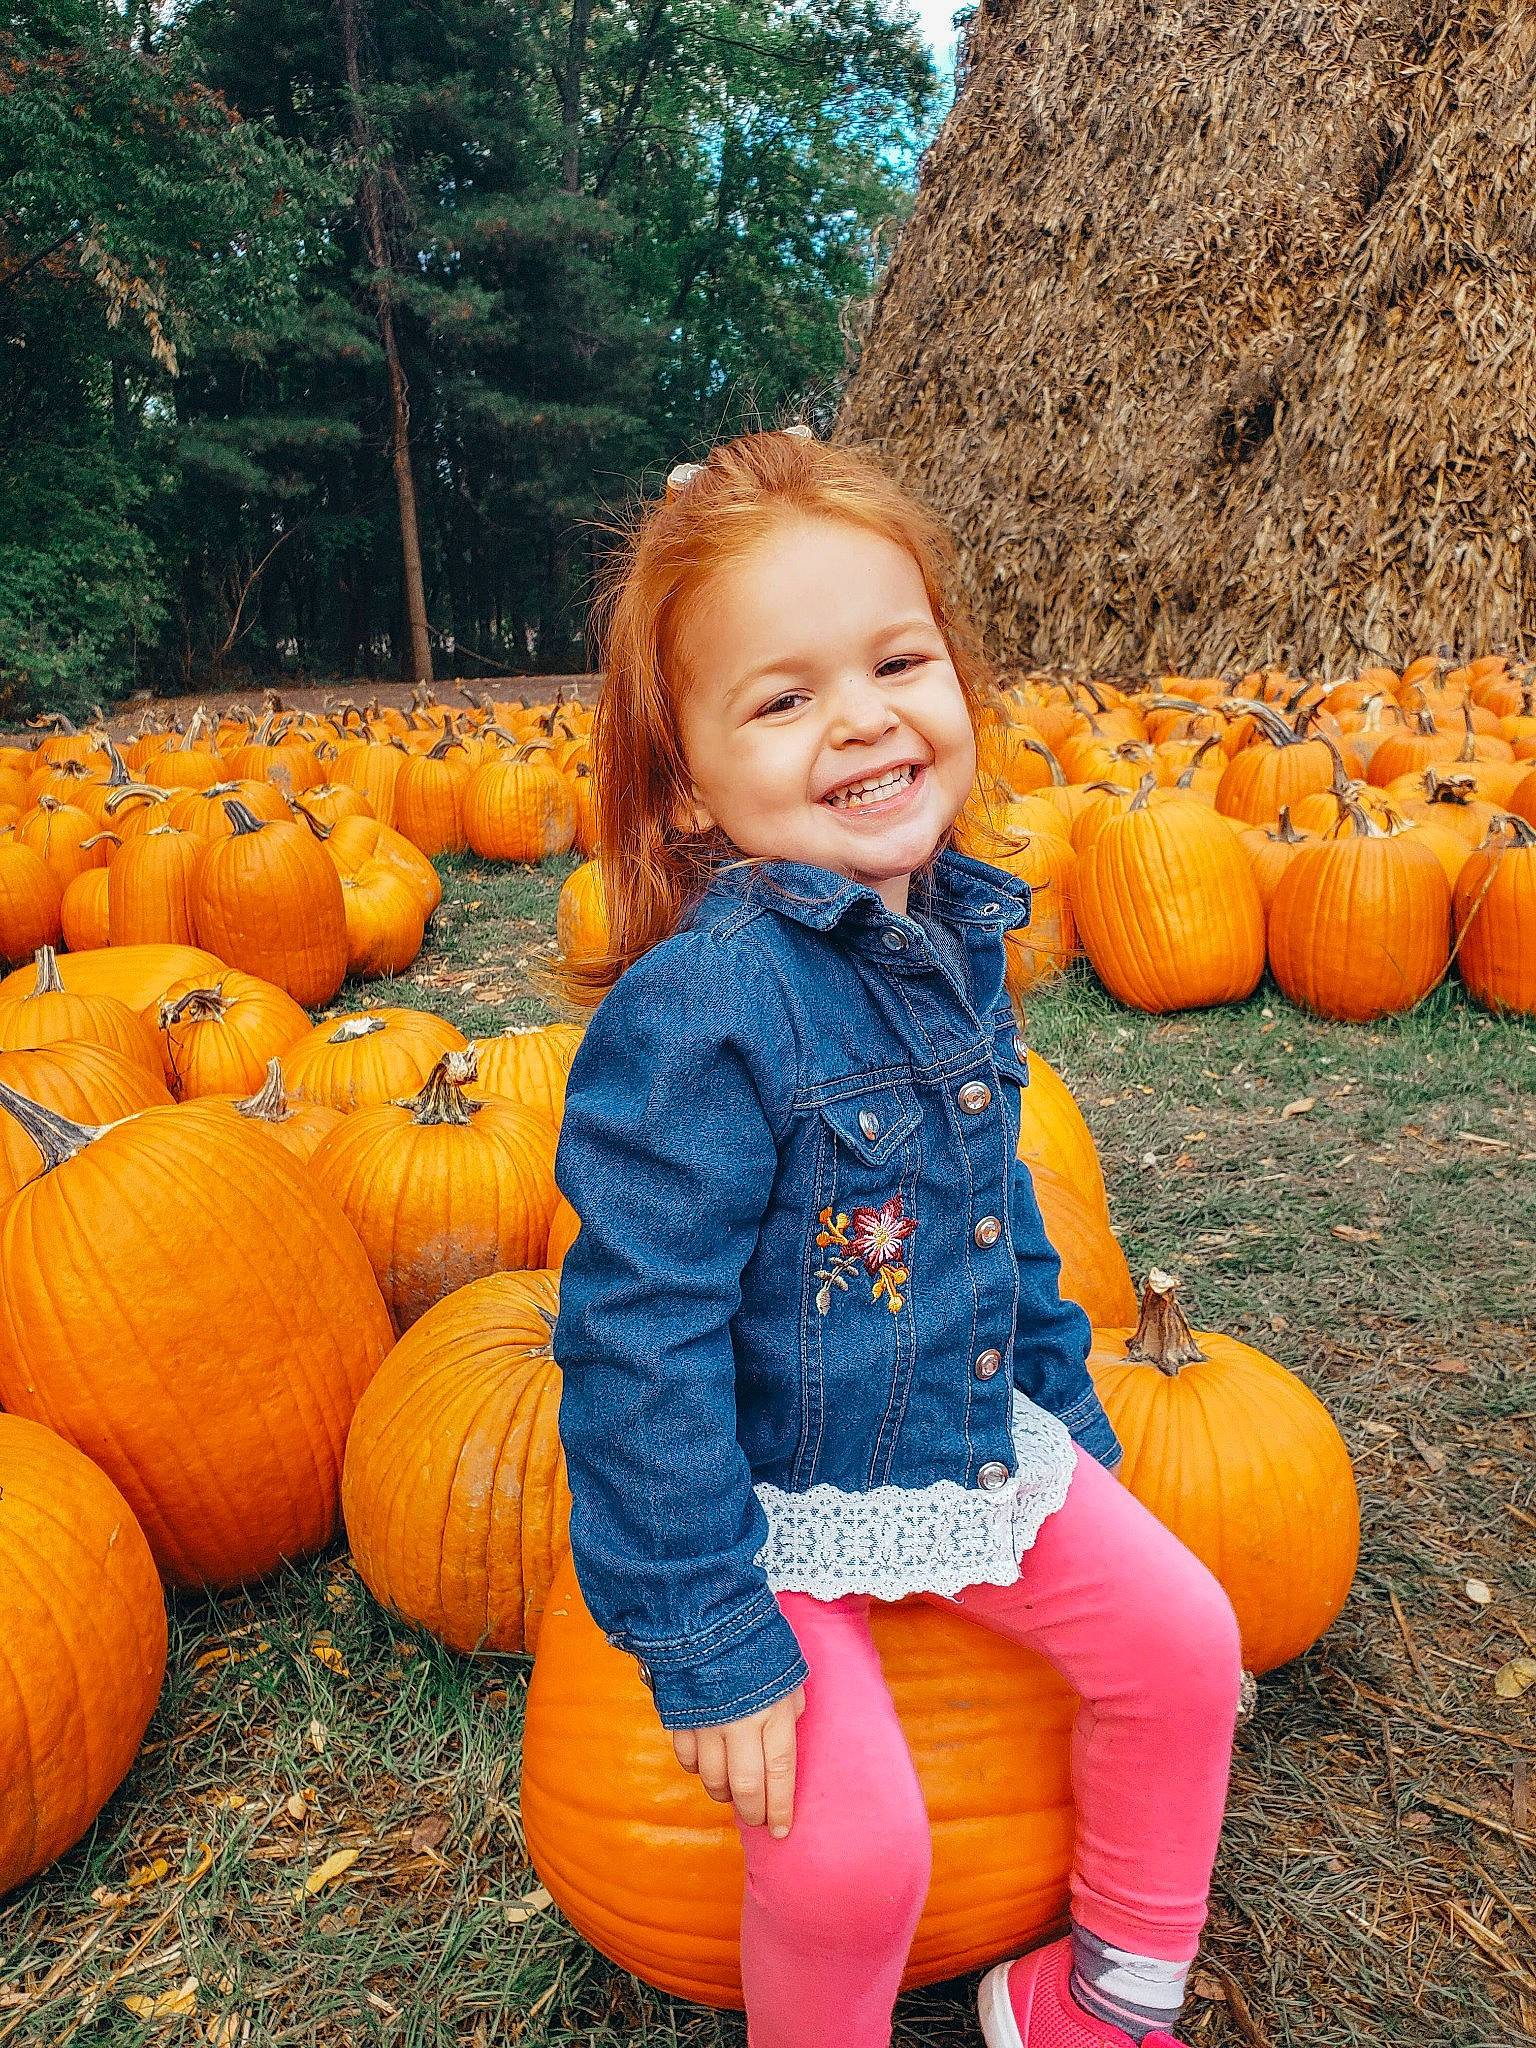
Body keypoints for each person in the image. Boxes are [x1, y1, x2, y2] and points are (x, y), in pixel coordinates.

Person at [551, 427, 1243, 2048]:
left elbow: (998, 1233)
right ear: (689, 788)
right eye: (782, 699)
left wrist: (1065, 1436)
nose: (860, 717)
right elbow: (634, 1336)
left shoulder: (958, 937)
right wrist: (711, 1631)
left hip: (955, 1430)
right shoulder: (699, 1015)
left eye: (896, 660)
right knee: (855, 1858)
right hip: (777, 1493)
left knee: (1190, 1644)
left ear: (957, 683)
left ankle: (1100, 2002)